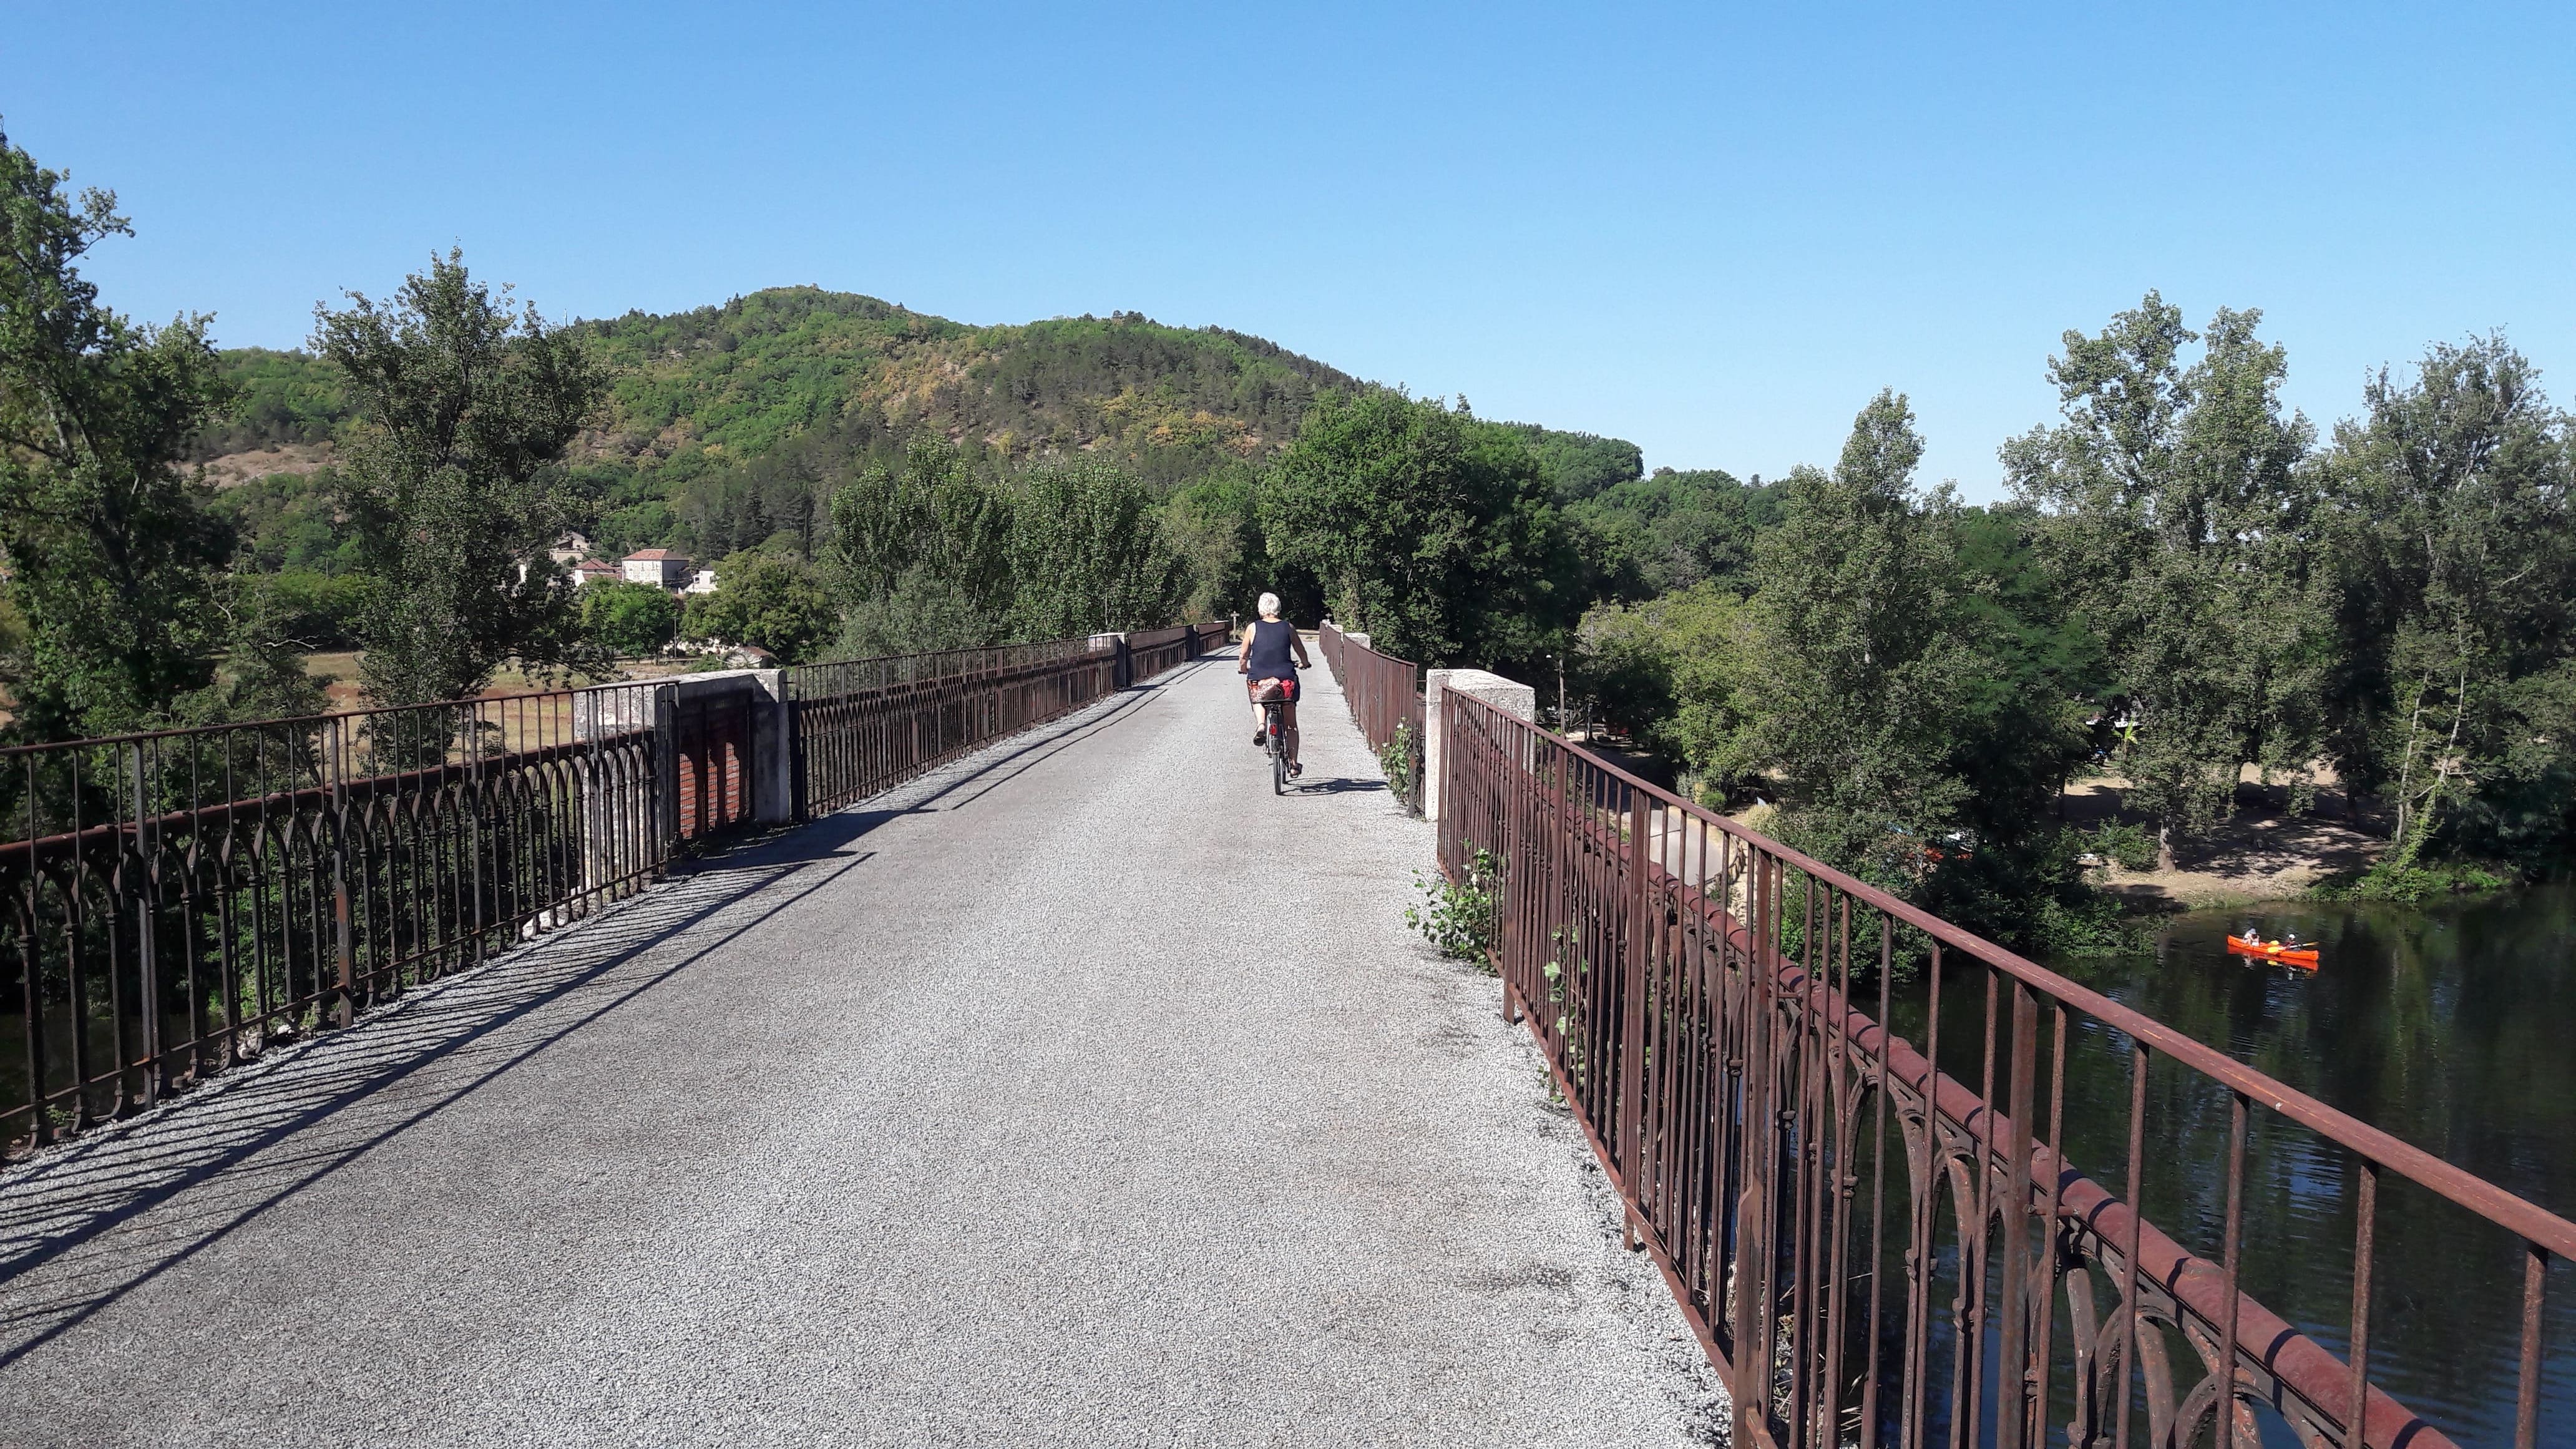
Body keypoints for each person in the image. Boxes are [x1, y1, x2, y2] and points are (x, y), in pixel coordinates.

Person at [1237, 592, 1312, 776]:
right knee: (1291, 725)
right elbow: (1300, 649)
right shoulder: (1288, 627)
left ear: (1261, 609)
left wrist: (1243, 667)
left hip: (1259, 679)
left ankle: (1261, 724)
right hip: (1284, 679)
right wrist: (1305, 662)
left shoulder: (1252, 628)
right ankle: (1294, 764)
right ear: (1278, 608)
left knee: (1258, 697)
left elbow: (1244, 655)